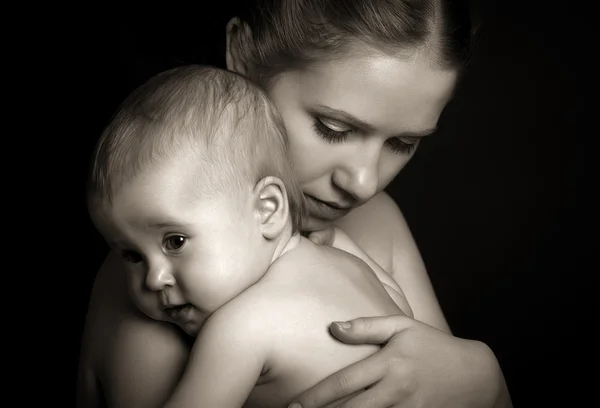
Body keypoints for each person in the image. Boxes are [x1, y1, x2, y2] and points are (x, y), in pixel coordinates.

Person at [78, 1, 513, 407]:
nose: (364, 183)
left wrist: (487, 382)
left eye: (403, 143)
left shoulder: (374, 223)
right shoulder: (160, 286)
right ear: (244, 55)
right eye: (333, 128)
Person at [86, 64, 413, 408]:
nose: (154, 279)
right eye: (132, 256)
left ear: (267, 209)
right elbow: (410, 330)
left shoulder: (239, 330)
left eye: (175, 241)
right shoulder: (350, 259)